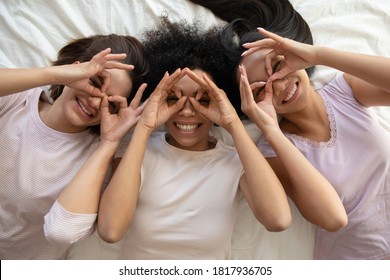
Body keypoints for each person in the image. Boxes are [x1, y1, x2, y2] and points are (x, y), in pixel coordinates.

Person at [96, 18, 292, 259]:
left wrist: (233, 124)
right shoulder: (138, 151)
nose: (187, 111)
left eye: (202, 99)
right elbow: (110, 230)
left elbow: (278, 220)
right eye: (172, 99)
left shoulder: (236, 160)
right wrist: (145, 126)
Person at [239, 28, 390, 259]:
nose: (278, 86)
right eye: (261, 89)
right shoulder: (273, 151)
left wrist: (317, 55)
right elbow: (333, 219)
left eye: (278, 67)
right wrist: (272, 131)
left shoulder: (344, 91)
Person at [0, 34, 149, 259]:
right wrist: (57, 74)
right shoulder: (16, 100)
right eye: (95, 83)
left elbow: (62, 231)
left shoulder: (100, 158)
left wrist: (108, 144)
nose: (96, 101)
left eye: (111, 102)